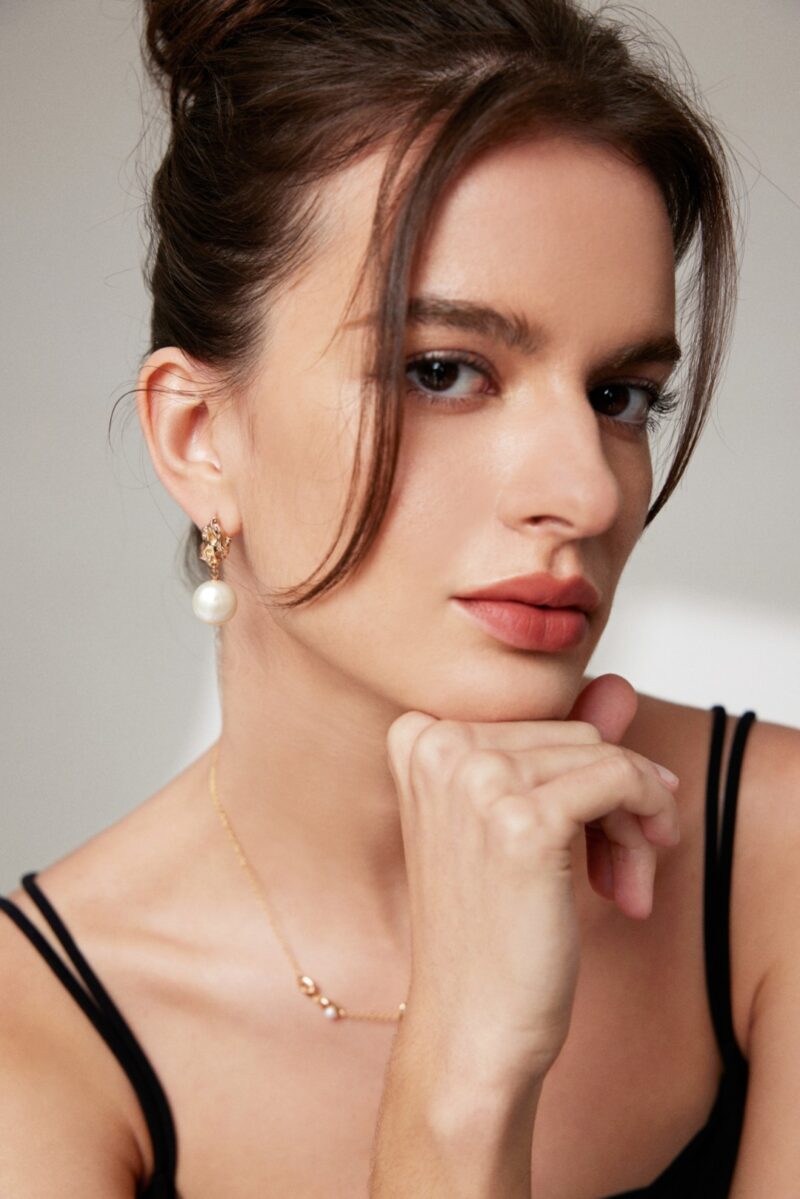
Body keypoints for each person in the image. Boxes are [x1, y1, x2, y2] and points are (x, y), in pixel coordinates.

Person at [1, 0, 799, 1195]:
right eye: (443, 370)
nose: (584, 491)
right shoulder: (39, 1049)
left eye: (621, 394)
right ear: (200, 435)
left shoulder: (775, 862)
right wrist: (461, 1082)